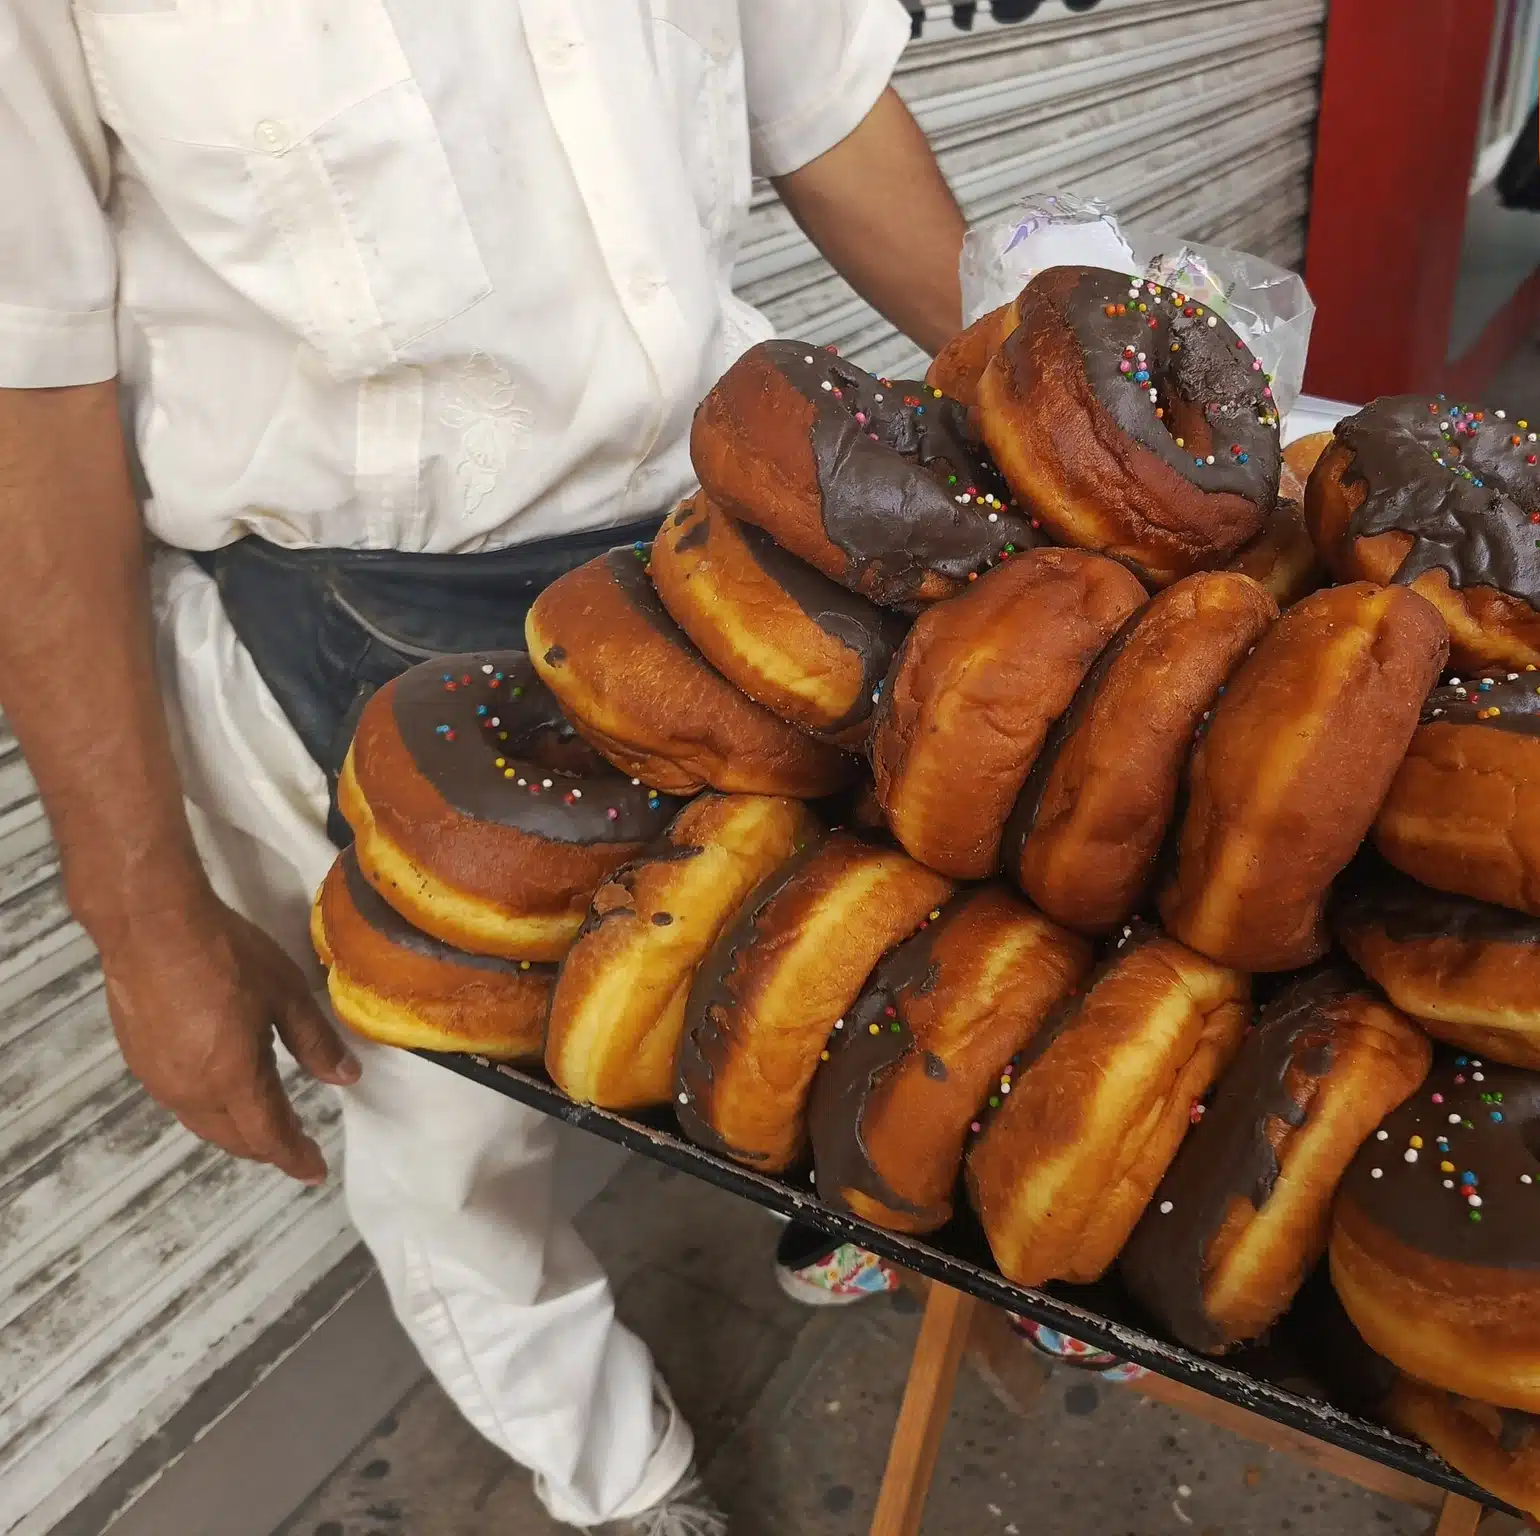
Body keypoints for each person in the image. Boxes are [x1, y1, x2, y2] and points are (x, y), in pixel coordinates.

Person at [0, 5, 966, 1529]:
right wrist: (142, 917)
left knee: (840, 956)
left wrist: (1060, 421)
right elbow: (25, 395)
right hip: (372, 616)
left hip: (723, 545)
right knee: (459, 1129)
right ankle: (612, 1469)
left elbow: (824, 109)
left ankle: (848, 1196)